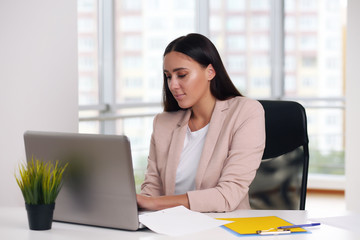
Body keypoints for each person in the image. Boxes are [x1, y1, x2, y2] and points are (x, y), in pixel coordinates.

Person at [136, 33, 265, 213]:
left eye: (182, 75)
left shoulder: (246, 112)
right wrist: (139, 204)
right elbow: (152, 190)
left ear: (210, 72)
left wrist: (154, 203)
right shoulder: (163, 123)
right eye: (168, 76)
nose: (172, 85)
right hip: (171, 228)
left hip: (224, 228)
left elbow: (228, 194)